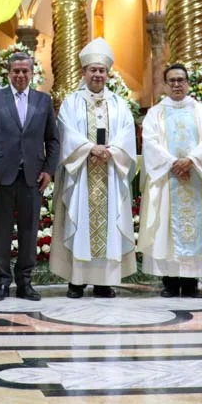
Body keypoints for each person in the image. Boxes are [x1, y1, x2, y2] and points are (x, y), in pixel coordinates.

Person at [50, 38, 137, 298]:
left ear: (108, 73)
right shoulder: (72, 102)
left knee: (109, 225)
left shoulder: (119, 104)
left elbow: (127, 134)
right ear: (84, 72)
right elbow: (66, 131)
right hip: (81, 174)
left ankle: (104, 282)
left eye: (101, 70)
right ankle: (76, 281)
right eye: (93, 70)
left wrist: (111, 151)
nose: (97, 74)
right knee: (79, 223)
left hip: (110, 171)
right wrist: (90, 149)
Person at [0, 52, 59, 301]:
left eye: (25, 71)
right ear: (9, 73)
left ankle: (25, 282)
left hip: (33, 177)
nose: (21, 75)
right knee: (2, 231)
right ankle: (2, 282)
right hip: (2, 175)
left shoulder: (43, 100)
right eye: (16, 71)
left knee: (29, 231)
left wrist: (48, 170)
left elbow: (53, 140)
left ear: (32, 73)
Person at [138, 64, 202, 298]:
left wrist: (191, 161)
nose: (176, 84)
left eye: (181, 80)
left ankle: (192, 282)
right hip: (167, 179)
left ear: (188, 83)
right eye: (172, 80)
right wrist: (173, 163)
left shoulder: (201, 111)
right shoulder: (156, 113)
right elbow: (150, 142)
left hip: (195, 178)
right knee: (165, 230)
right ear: (165, 84)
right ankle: (170, 282)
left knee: (196, 230)